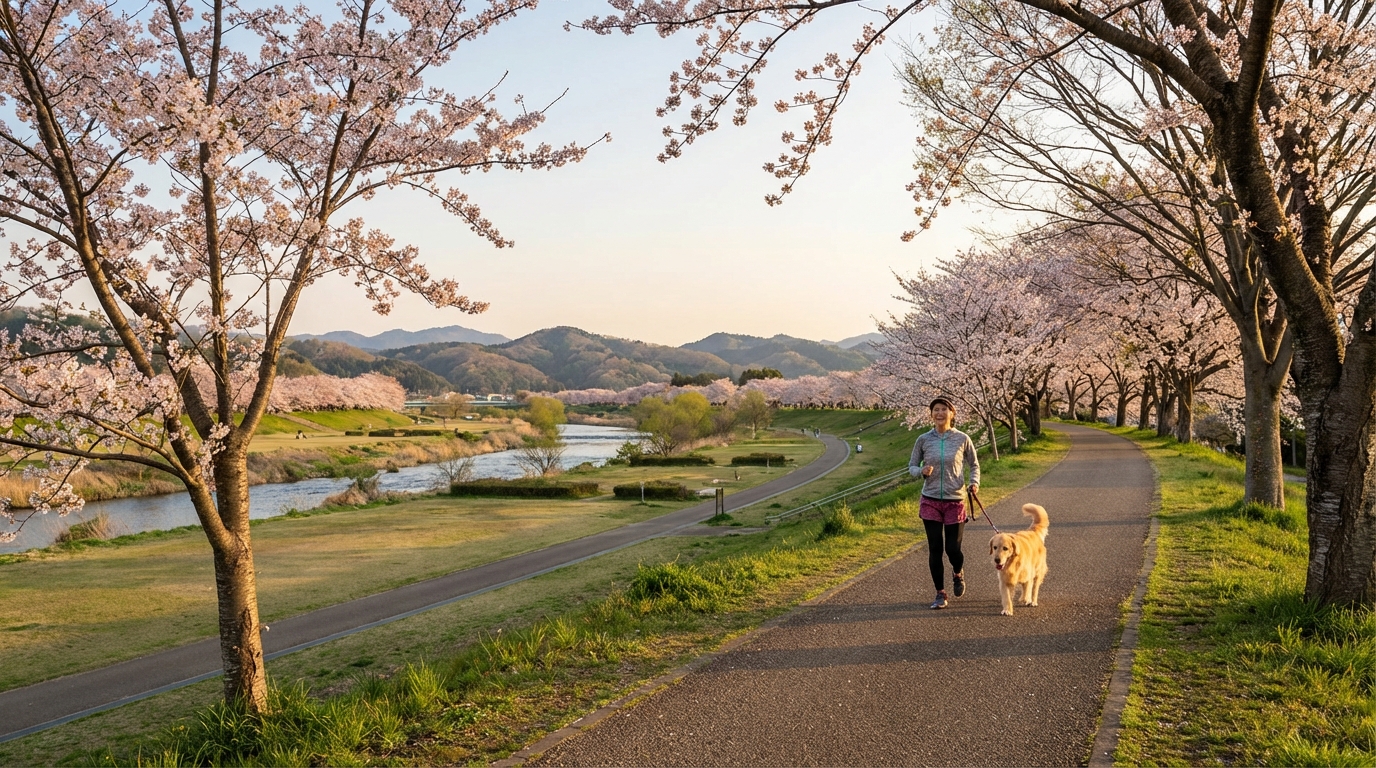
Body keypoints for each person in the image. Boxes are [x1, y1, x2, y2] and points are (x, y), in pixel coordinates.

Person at [909, 396, 981, 609]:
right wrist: (920, 471)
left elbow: (974, 465)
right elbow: (911, 466)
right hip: (930, 500)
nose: (939, 413)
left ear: (952, 413)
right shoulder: (923, 439)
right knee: (935, 548)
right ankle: (940, 593)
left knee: (953, 549)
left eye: (944, 409)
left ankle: (957, 572)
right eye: (936, 410)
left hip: (955, 500)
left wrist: (974, 483)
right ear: (931, 414)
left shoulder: (962, 439)